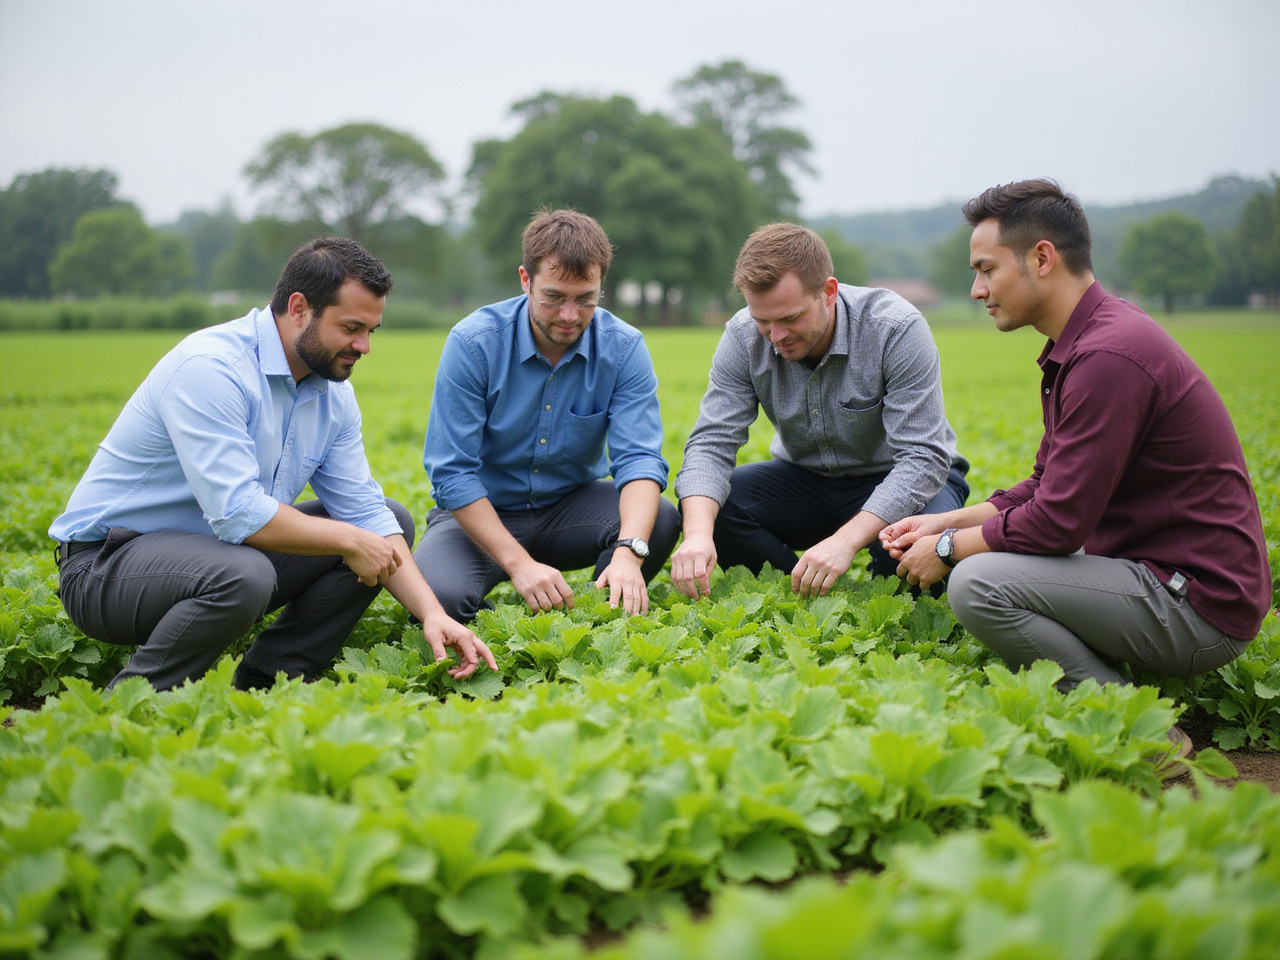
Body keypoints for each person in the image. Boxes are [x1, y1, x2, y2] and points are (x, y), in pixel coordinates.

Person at [883, 178, 1270, 706]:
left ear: (1042, 259)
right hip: (1159, 578)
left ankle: (1135, 725)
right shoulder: (1092, 340)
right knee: (988, 563)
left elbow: (1057, 524)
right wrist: (944, 522)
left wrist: (949, 549)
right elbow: (1045, 486)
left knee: (976, 583)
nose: (977, 290)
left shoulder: (1108, 356)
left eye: (987, 269)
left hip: (1197, 605)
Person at [50, 237, 495, 692]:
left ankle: (269, 678)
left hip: (218, 555)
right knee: (251, 573)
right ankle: (133, 699)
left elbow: (364, 511)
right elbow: (237, 513)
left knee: (389, 521)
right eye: (351, 327)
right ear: (299, 308)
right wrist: (350, 539)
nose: (364, 346)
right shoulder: (212, 367)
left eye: (371, 331)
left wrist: (433, 614)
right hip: (106, 568)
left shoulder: (332, 393)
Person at [671, 223, 970, 600]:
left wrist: (845, 541)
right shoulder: (742, 335)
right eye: (763, 320)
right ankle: (796, 590)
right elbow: (710, 444)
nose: (775, 337)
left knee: (908, 551)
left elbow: (923, 459)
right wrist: (698, 534)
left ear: (828, 292)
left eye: (790, 318)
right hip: (806, 480)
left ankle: (858, 572)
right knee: (711, 508)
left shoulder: (895, 328)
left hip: (899, 475)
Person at [415, 209, 680, 622]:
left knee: (658, 519)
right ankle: (504, 621)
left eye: (586, 298)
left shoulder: (624, 347)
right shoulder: (473, 343)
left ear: (601, 285)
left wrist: (629, 553)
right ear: (526, 280)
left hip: (569, 509)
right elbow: (452, 473)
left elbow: (640, 459)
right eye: (554, 297)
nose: (570, 315)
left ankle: (599, 608)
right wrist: (520, 565)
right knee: (439, 597)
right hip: (483, 513)